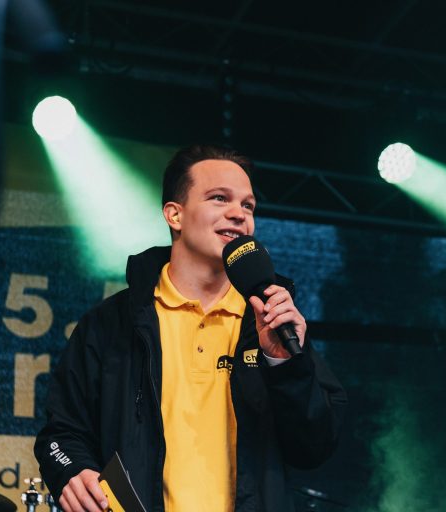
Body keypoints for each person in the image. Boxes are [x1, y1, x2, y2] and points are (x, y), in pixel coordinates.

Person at [34, 144, 347, 512]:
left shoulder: (270, 323)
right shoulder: (110, 324)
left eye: (248, 206)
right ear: (174, 215)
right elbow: (61, 433)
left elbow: (315, 446)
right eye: (219, 199)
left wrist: (285, 366)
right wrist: (71, 471)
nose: (238, 215)